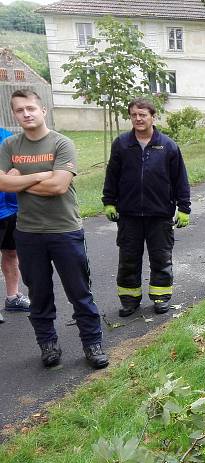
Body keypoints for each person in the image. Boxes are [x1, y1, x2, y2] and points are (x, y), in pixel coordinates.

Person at [0, 89, 107, 369]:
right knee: (39, 294)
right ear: (14, 113)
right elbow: (1, 184)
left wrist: (19, 179)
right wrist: (40, 175)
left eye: (31, 108)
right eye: (20, 110)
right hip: (28, 233)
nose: (26, 113)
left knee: (79, 292)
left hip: (65, 231)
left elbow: (58, 186)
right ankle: (48, 345)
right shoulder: (10, 146)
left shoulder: (62, 143)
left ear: (42, 110)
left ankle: (92, 344)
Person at [102, 98, 190, 317]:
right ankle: (129, 300)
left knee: (161, 257)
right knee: (128, 259)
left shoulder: (167, 145)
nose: (138, 119)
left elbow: (180, 179)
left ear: (153, 117)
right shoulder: (122, 144)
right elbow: (112, 175)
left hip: (160, 214)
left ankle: (160, 297)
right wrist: (109, 201)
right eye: (134, 115)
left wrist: (184, 208)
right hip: (129, 214)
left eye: (143, 115)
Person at [0, 126, 31, 325]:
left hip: (11, 207)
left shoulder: (6, 136)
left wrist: (16, 170)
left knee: (11, 253)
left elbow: (20, 164)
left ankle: (13, 297)